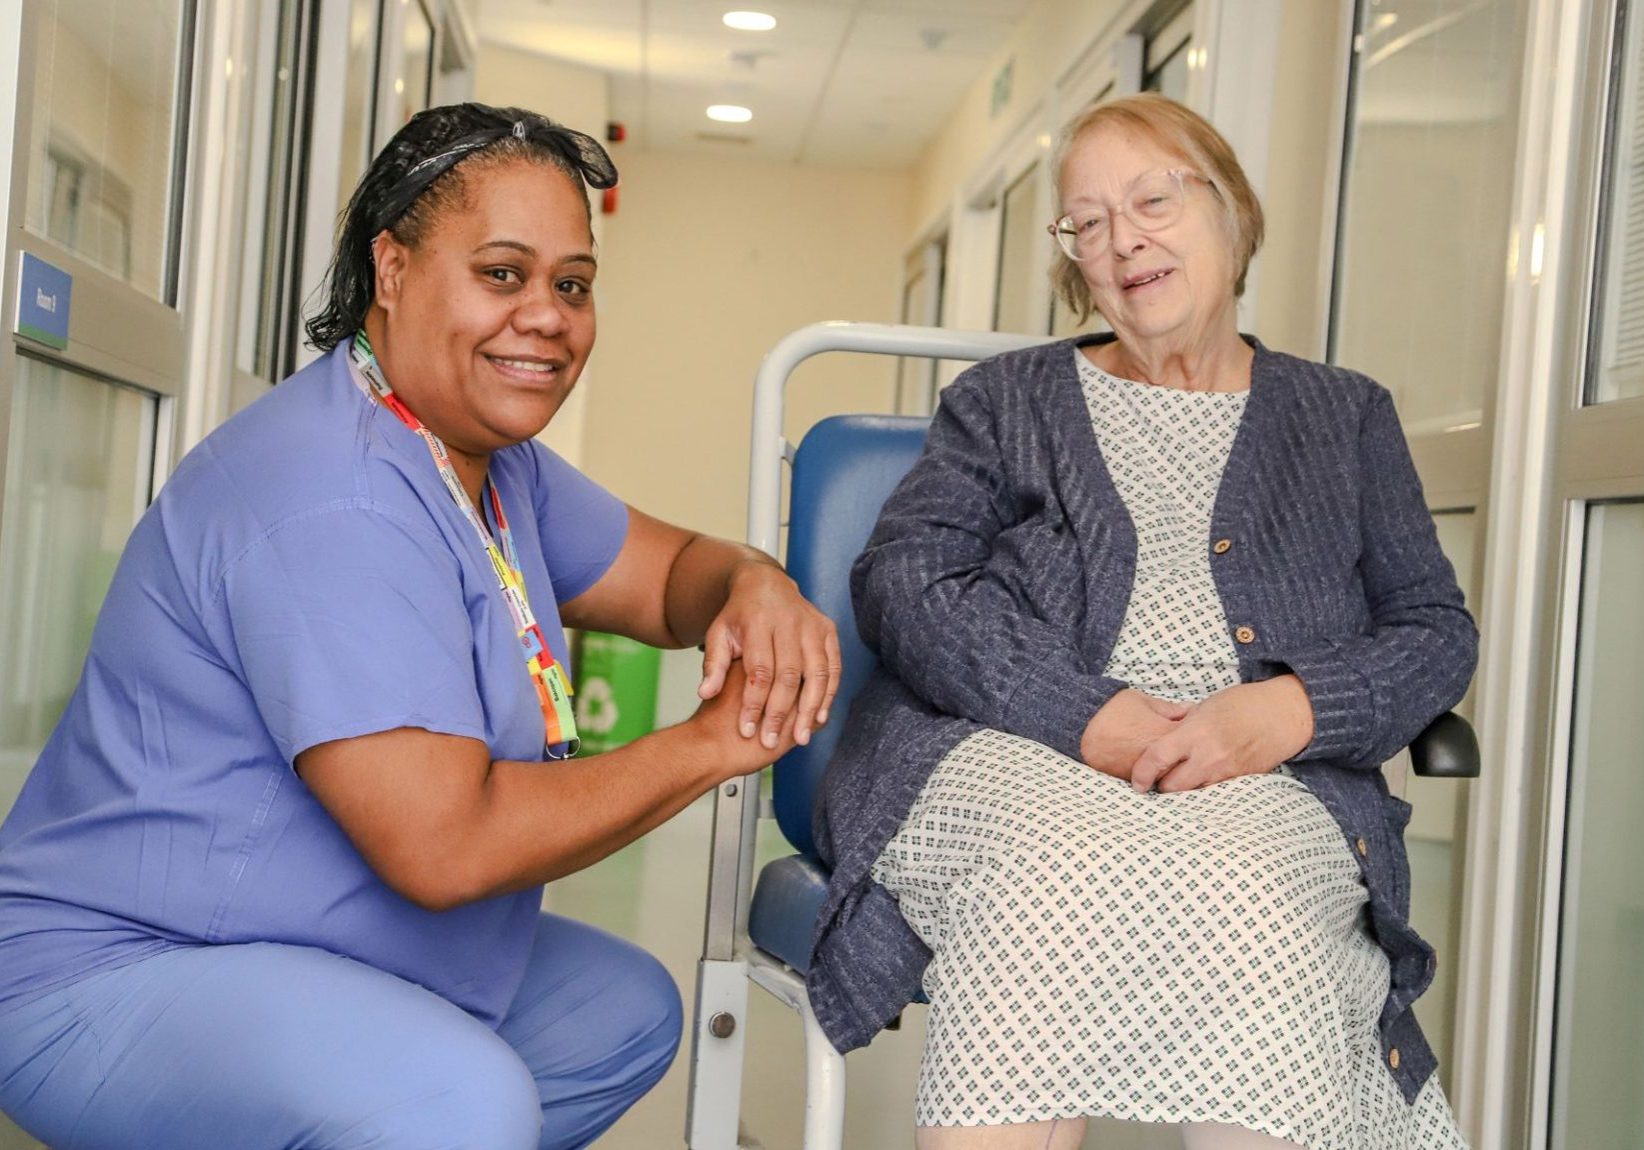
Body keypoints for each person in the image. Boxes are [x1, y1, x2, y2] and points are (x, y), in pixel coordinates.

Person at [0, 104, 839, 1150]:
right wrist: (718, 742)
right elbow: (444, 847)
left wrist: (752, 583)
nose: (547, 314)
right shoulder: (334, 493)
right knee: (460, 1098)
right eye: (502, 273)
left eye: (571, 284)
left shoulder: (479, 460)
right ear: (391, 269)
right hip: (123, 965)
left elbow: (670, 574)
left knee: (619, 1015)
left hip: (306, 940)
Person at [809, 93, 1479, 1149]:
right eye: (1088, 223)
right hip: (1015, 746)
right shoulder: (1005, 401)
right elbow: (908, 578)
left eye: (1151, 200)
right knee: (1049, 867)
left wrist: (1286, 713)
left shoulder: (1345, 416)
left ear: (1231, 213)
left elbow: (1434, 627)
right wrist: (1093, 715)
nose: (1122, 243)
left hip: (1263, 773)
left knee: (1256, 892)